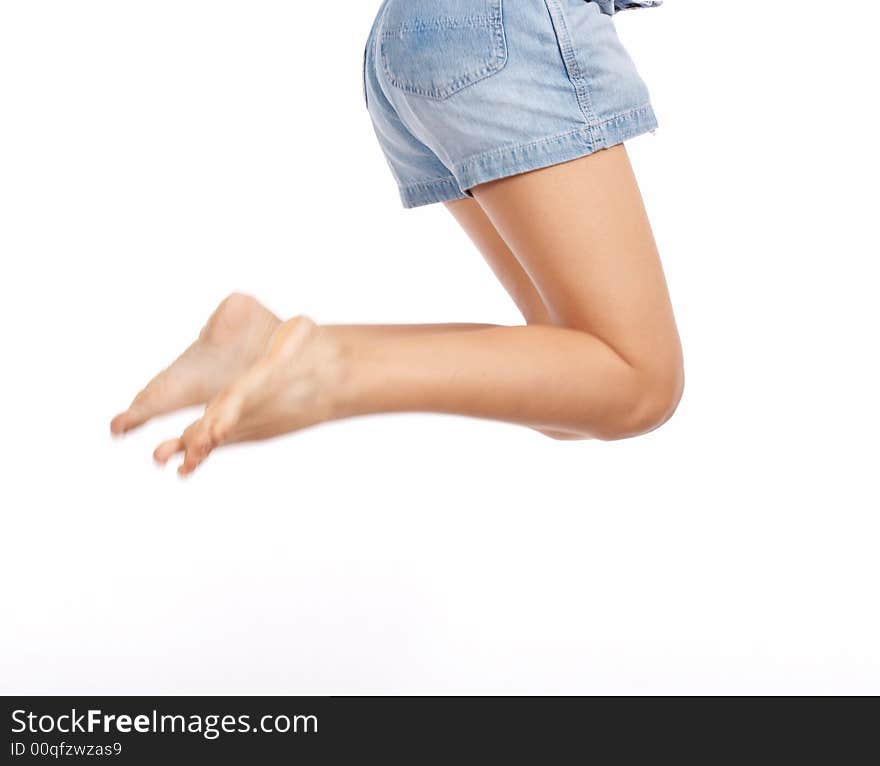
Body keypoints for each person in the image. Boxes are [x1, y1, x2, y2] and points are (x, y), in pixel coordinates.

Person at [111, 0, 683, 475]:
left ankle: (263, 346)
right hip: (503, 30)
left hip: (425, 34)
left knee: (575, 382)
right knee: (641, 381)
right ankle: (329, 369)